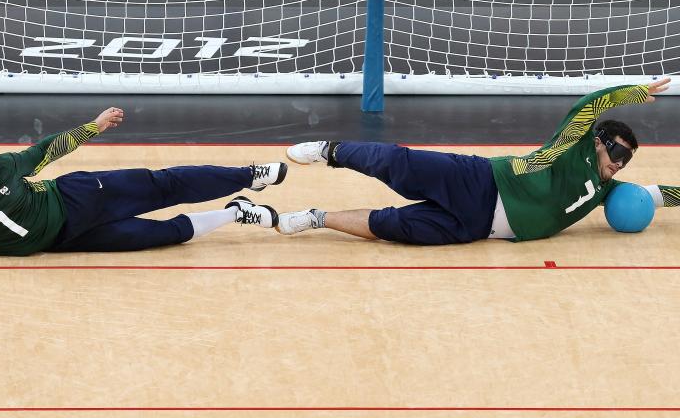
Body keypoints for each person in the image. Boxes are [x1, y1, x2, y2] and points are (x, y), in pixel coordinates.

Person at [275, 79, 680, 244]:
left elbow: (657, 195)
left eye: (628, 160)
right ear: (599, 141)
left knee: (391, 226)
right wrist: (631, 92)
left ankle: (316, 218)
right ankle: (331, 150)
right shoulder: (571, 146)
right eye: (619, 153)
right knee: (399, 164)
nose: (621, 164)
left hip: (478, 228)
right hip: (483, 181)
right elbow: (586, 107)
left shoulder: (607, 190)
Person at [0, 107, 287, 261]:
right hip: (66, 239)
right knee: (162, 235)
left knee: (164, 184)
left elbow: (46, 151)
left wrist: (93, 126)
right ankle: (236, 211)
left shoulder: (2, 167)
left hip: (76, 194)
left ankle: (251, 175)